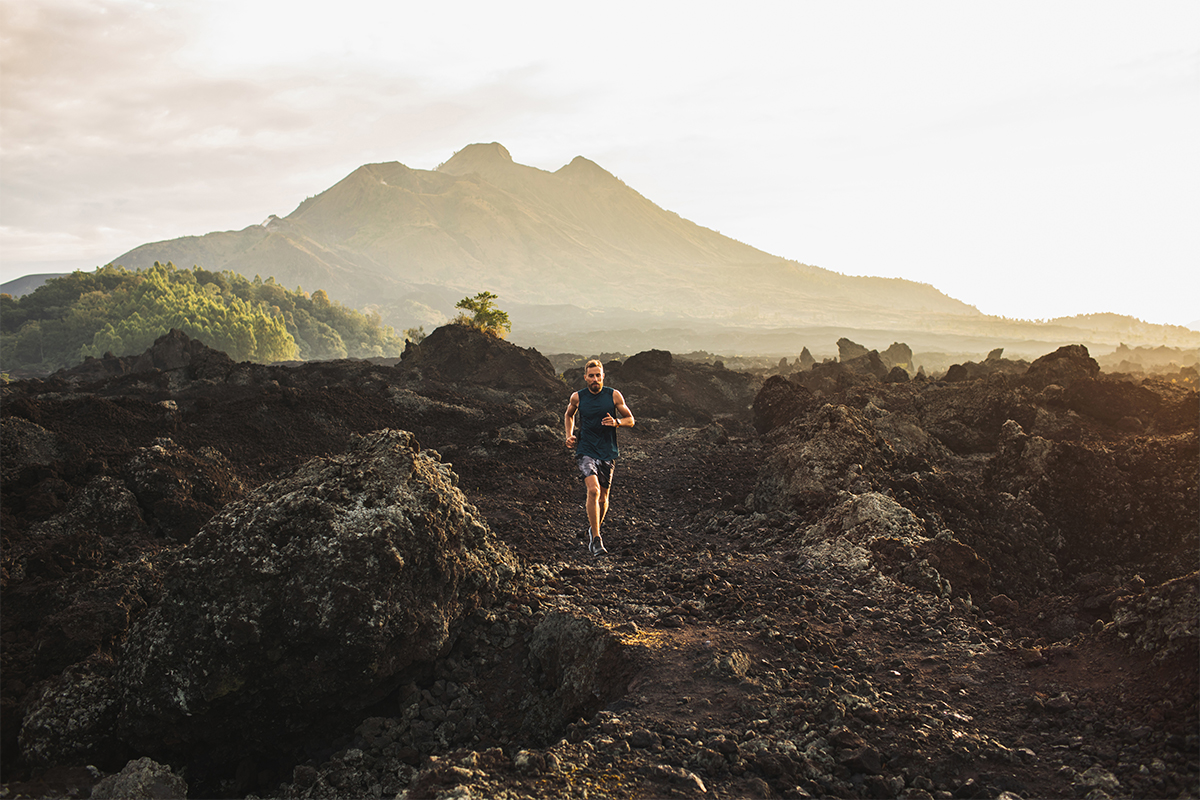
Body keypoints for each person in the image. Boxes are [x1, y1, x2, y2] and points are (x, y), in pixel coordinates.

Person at [564, 359, 634, 556]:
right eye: (591, 375)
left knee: (603, 498)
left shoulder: (613, 395)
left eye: (598, 375)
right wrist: (569, 434)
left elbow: (631, 420)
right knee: (593, 491)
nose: (595, 379)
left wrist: (617, 422)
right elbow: (569, 415)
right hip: (585, 449)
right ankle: (596, 539)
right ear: (585, 377)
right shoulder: (578, 397)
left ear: (603, 376)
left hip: (607, 451)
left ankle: (594, 528)